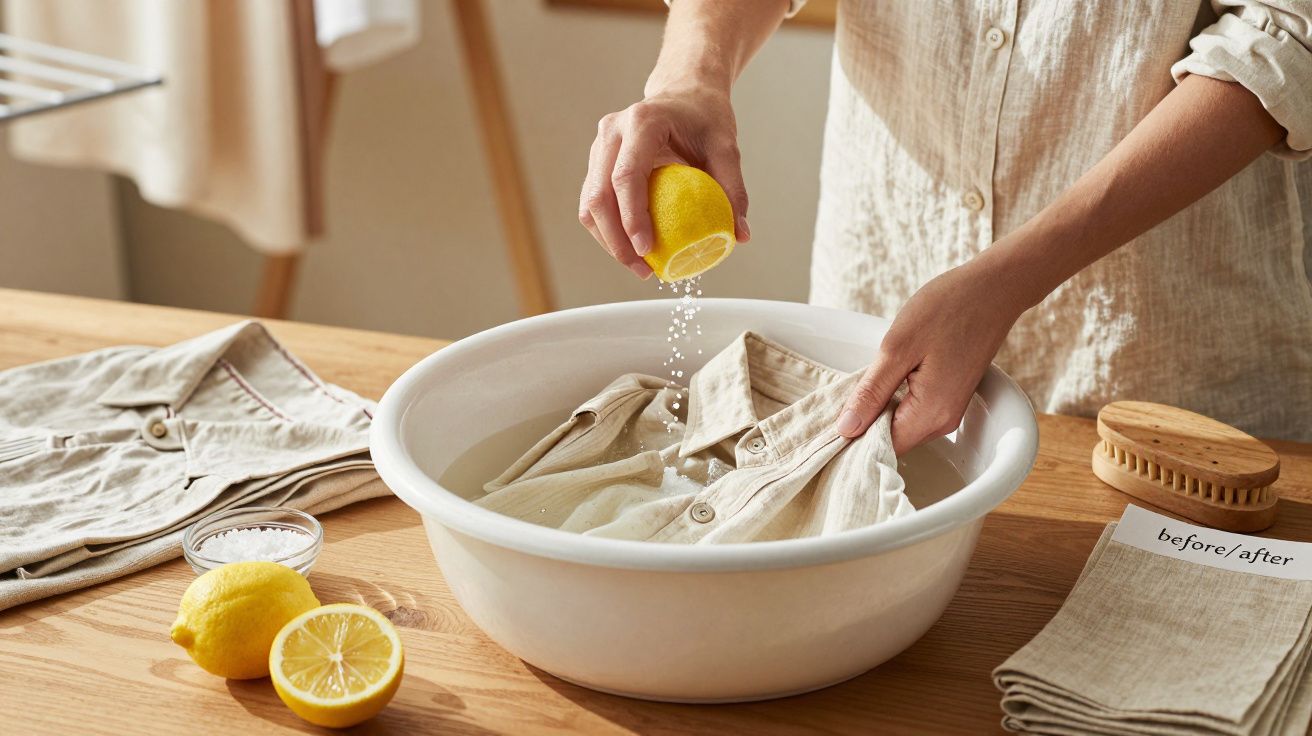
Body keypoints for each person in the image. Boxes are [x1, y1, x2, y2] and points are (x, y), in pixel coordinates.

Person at [578, 0, 1312, 453]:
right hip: (883, 274)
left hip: (1164, 356)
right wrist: (689, 80)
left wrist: (1015, 274)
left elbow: (1286, 33)